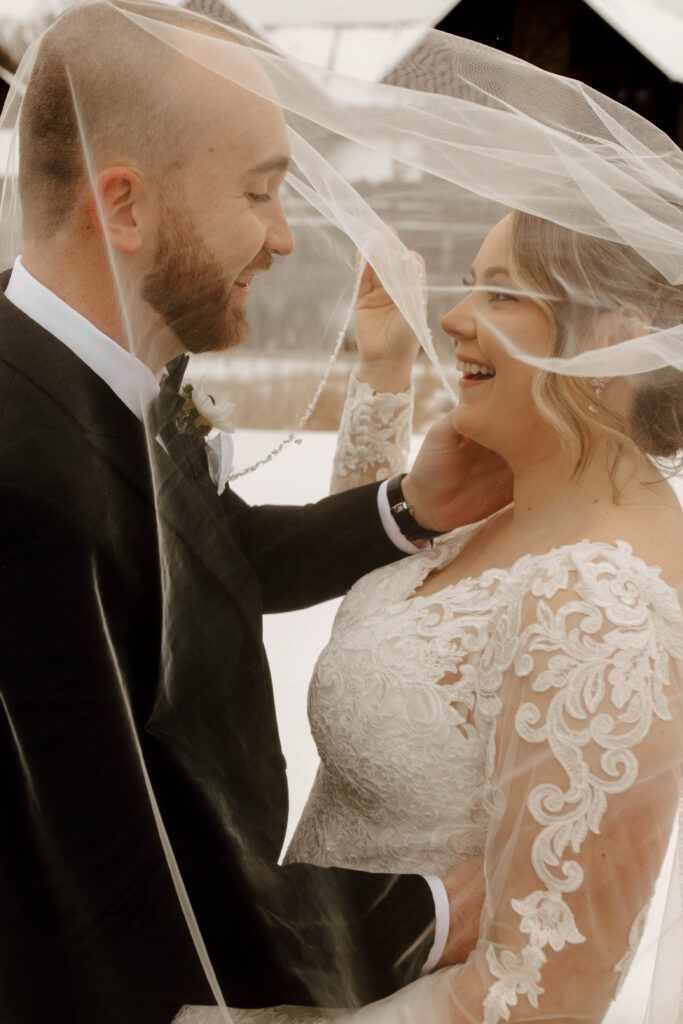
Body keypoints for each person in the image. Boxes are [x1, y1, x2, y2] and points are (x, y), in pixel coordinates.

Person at [0, 4, 513, 1023]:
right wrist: (434, 906)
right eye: (260, 192)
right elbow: (119, 902)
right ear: (126, 208)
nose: (284, 237)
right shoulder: (28, 484)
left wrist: (405, 508)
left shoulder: (116, 378)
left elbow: (208, 553)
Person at [176, 206, 683, 1024]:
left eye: (500, 294)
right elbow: (382, 617)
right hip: (281, 970)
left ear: (611, 340)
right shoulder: (493, 501)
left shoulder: (598, 604)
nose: (451, 316)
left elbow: (538, 996)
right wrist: (384, 372)